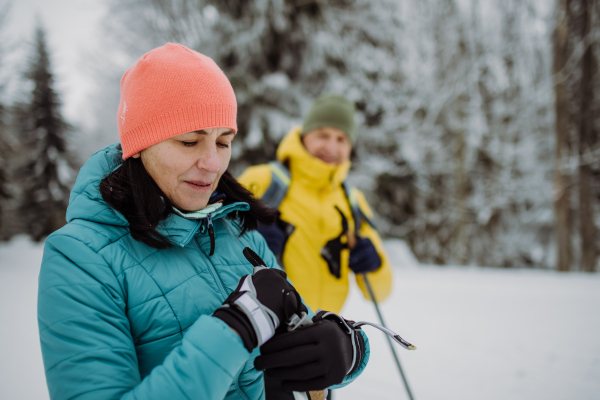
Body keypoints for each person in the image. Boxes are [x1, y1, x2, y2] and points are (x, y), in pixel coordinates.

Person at [37, 44, 370, 400]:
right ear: (140, 144)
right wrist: (233, 331)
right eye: (190, 141)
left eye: (223, 142)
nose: (212, 163)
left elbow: (300, 338)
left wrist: (345, 348)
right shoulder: (79, 258)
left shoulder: (238, 232)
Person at [238, 94, 393, 315]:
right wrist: (249, 239)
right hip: (264, 327)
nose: (331, 147)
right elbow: (211, 250)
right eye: (323, 135)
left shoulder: (353, 201)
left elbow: (380, 293)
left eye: (342, 139)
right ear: (304, 135)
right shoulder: (263, 181)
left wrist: (375, 266)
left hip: (322, 333)